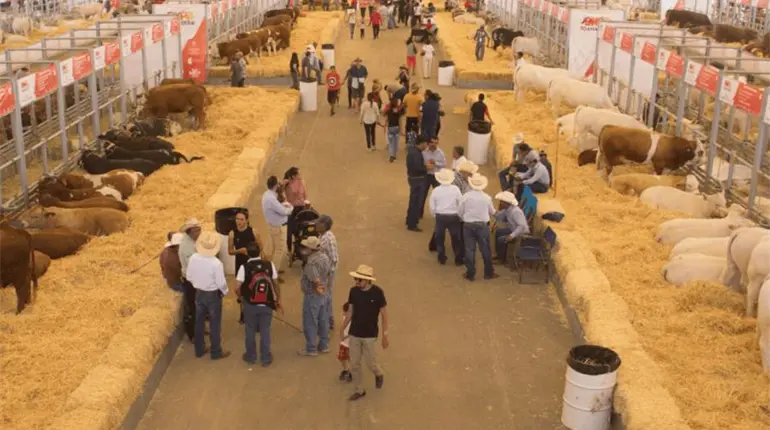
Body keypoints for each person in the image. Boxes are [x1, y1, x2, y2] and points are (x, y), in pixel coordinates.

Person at [340, 264, 388, 401]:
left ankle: (378, 373)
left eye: (359, 280)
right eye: (355, 279)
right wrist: (343, 328)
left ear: (368, 280)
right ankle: (359, 390)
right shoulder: (353, 292)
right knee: (355, 364)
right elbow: (350, 311)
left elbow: (384, 314)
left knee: (371, 363)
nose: (356, 282)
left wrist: (385, 335)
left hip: (370, 335)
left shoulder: (378, 293)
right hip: (355, 333)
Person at [186, 231, 231, 360]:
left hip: (199, 292)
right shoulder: (216, 263)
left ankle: (199, 350)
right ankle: (216, 351)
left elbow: (189, 276)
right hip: (213, 294)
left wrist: (197, 284)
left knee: (199, 321)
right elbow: (221, 283)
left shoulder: (194, 258)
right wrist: (224, 292)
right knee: (214, 323)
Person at [235, 245, 281, 366]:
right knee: (265, 330)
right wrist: (278, 300)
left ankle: (251, 356)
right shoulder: (269, 265)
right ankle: (265, 358)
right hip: (267, 304)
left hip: (250, 304)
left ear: (247, 254)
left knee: (250, 329)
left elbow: (237, 287)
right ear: (260, 252)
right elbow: (275, 284)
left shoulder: (244, 267)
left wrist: (241, 297)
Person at [458, 173, 498, 281]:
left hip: (468, 225)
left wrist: (465, 218)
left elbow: (460, 212)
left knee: (470, 249)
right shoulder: (486, 198)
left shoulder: (465, 197)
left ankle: (470, 273)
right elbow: (492, 212)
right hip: (482, 225)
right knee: (485, 249)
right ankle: (488, 273)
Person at [298, 236, 333, 356]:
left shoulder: (310, 263)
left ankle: (311, 348)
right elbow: (329, 273)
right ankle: (323, 345)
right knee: (323, 319)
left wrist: (316, 287)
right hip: (325, 293)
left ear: (310, 249)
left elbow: (315, 280)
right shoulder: (325, 257)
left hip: (313, 294)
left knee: (310, 321)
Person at [228, 210, 262, 324]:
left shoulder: (254, 232)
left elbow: (260, 247)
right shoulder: (232, 233)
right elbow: (230, 251)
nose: (239, 221)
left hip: (252, 264)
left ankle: (256, 313)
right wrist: (239, 251)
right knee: (241, 289)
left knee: (254, 287)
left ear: (247, 220)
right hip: (240, 264)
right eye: (237, 219)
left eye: (241, 219)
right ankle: (243, 313)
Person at [429, 168, 464, 266]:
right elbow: (460, 203)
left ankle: (441, 257)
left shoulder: (436, 190)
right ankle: (458, 258)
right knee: (456, 238)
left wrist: (435, 215)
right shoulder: (455, 189)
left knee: (440, 237)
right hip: (453, 216)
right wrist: (459, 214)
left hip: (440, 216)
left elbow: (432, 206)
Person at [261, 176, 294, 275]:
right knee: (279, 250)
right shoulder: (271, 199)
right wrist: (291, 208)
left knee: (271, 247)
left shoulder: (267, 194)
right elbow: (284, 211)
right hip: (278, 227)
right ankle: (273, 273)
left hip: (272, 225)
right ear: (275, 185)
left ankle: (269, 267)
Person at [178, 218, 202, 343]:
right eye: (197, 230)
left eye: (200, 229)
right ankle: (193, 335)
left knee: (198, 307)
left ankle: (200, 329)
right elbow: (194, 266)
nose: (199, 232)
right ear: (190, 231)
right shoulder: (187, 247)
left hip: (195, 278)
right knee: (193, 307)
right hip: (191, 280)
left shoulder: (193, 241)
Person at [493, 191, 529, 263]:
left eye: (501, 201)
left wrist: (511, 236)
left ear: (506, 203)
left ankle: (501, 259)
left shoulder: (516, 211)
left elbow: (521, 226)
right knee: (498, 232)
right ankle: (499, 254)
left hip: (520, 233)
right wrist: (496, 210)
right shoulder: (507, 209)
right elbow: (498, 217)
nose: (500, 202)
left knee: (501, 239)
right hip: (513, 229)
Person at [317, 214, 339, 329]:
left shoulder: (327, 239)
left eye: (318, 223)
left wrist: (327, 273)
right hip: (325, 271)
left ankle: (328, 320)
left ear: (324, 226)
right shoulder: (323, 235)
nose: (316, 224)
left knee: (326, 295)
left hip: (327, 273)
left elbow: (334, 258)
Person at [283, 167, 309, 253]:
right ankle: (289, 250)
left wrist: (306, 203)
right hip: (292, 209)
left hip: (302, 207)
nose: (300, 175)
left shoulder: (302, 182)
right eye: (298, 174)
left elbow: (305, 195)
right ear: (293, 176)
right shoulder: (287, 184)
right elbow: (279, 192)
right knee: (289, 231)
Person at [406, 136, 429, 232]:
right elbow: (417, 167)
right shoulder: (417, 154)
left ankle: (409, 220)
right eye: (425, 144)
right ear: (421, 143)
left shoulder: (412, 151)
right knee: (416, 202)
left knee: (413, 201)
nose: (426, 146)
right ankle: (412, 224)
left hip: (413, 178)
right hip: (417, 180)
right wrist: (426, 167)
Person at [420, 135, 446, 216]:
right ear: (429, 143)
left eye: (435, 143)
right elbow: (421, 162)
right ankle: (419, 213)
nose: (433, 144)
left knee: (439, 195)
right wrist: (426, 165)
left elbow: (444, 164)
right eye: (432, 142)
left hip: (436, 176)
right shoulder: (423, 152)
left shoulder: (440, 153)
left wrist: (436, 163)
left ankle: (439, 213)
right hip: (426, 176)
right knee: (422, 195)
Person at [382, 97, 404, 162]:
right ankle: (394, 155)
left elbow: (383, 114)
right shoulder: (398, 111)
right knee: (396, 143)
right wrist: (401, 129)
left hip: (390, 128)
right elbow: (400, 120)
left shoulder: (388, 111)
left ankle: (391, 155)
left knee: (390, 143)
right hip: (397, 127)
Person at [337, 302, 353, 382]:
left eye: (344, 311)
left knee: (343, 358)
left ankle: (347, 371)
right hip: (346, 343)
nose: (343, 313)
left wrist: (344, 336)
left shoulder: (352, 321)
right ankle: (348, 370)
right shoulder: (345, 317)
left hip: (347, 343)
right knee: (346, 358)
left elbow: (352, 332)